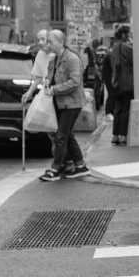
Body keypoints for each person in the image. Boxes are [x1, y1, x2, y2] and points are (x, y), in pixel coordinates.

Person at [37, 27, 90, 183]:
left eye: (50, 41)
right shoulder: (54, 59)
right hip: (60, 103)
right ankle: (80, 165)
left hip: (72, 103)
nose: (48, 44)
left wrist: (54, 89)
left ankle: (55, 168)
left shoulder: (72, 59)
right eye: (47, 41)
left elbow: (74, 82)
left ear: (61, 42)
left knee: (60, 136)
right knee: (67, 135)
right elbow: (50, 78)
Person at [105, 28, 136, 145]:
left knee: (118, 109)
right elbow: (135, 60)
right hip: (127, 83)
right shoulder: (125, 46)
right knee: (126, 109)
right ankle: (123, 135)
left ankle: (115, 135)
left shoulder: (114, 46)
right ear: (123, 35)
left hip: (116, 83)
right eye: (129, 34)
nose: (129, 36)